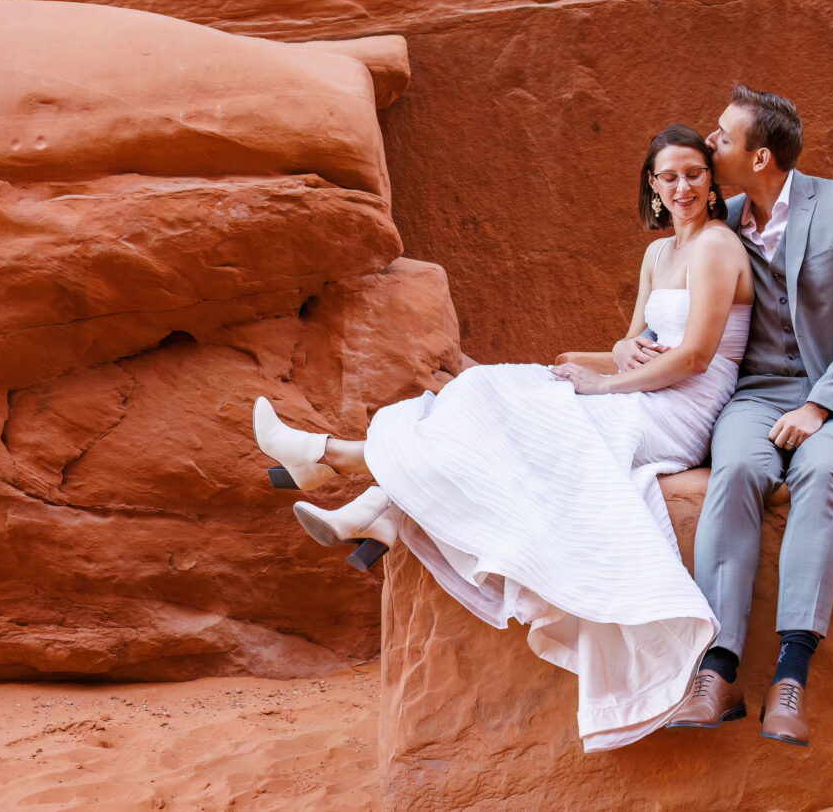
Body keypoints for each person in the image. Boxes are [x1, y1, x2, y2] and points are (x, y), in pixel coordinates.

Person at [249, 124, 753, 752]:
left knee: (512, 405)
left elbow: (696, 357)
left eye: (694, 174)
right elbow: (632, 338)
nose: (683, 187)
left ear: (712, 181)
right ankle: (376, 502)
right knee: (484, 389)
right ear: (652, 186)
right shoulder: (659, 254)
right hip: (639, 388)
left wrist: (600, 387)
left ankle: (339, 463)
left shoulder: (717, 247)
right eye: (669, 177)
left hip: (678, 411)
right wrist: (618, 353)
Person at [665, 86, 833, 747]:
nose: (710, 143)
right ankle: (718, 671)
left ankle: (791, 675)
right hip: (756, 393)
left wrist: (818, 404)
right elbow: (683, 303)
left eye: (722, 135)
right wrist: (635, 345)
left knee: (823, 470)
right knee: (738, 467)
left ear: (762, 155)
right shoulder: (725, 218)